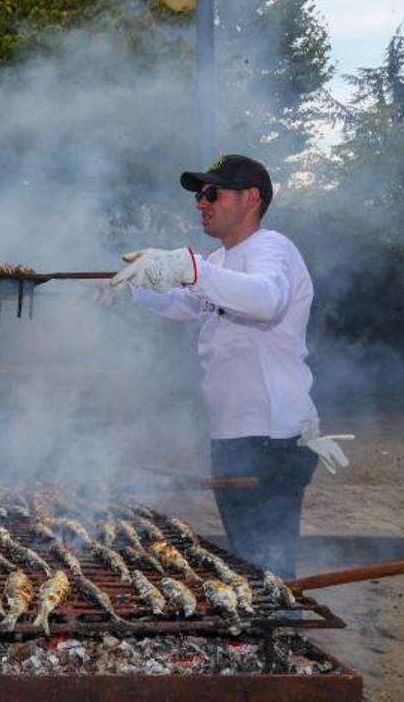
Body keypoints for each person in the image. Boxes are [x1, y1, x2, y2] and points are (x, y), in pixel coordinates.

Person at [110, 154, 354, 578]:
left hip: (272, 440)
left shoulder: (272, 248)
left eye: (211, 193)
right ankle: (265, 636)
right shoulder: (220, 262)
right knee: (246, 564)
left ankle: (279, 635)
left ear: (250, 198)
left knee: (269, 568)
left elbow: (266, 299)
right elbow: (183, 303)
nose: (200, 203)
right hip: (235, 437)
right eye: (201, 195)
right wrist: (131, 290)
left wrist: (189, 269)